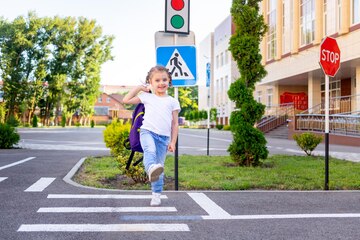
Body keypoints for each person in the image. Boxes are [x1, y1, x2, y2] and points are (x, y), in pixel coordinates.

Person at [122, 65, 180, 206]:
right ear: (151, 82)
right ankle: (150, 169)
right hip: (147, 132)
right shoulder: (146, 97)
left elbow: (175, 124)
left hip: (164, 138)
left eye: (164, 80)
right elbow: (126, 100)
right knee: (150, 152)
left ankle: (156, 195)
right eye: (157, 80)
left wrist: (173, 142)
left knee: (159, 167)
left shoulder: (172, 101)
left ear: (169, 81)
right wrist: (140, 88)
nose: (161, 83)